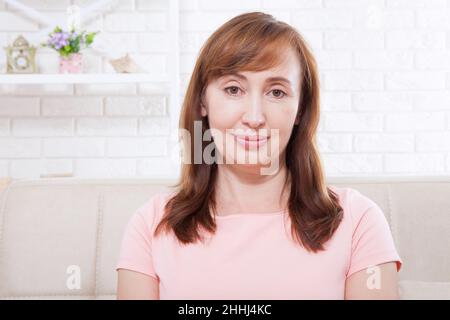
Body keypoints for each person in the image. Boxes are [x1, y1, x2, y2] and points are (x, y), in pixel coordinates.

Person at [116, 11, 402, 300]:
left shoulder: (358, 222)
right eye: (233, 89)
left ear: (300, 108)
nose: (254, 117)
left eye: (276, 92)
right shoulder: (151, 225)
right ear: (203, 100)